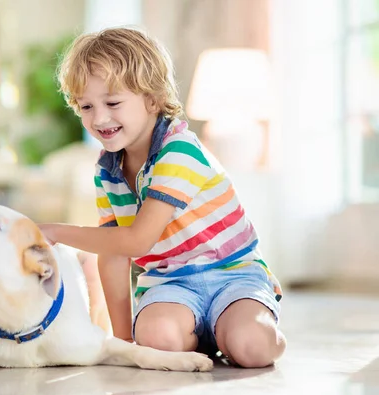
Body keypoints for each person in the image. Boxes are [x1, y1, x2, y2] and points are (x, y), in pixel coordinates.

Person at [38, 27, 286, 368]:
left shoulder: (178, 149)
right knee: (156, 341)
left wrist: (56, 232)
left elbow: (136, 241)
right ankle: (208, 335)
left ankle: (251, 322)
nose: (99, 118)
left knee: (252, 348)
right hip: (170, 283)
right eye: (86, 106)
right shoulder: (106, 169)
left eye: (112, 103)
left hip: (233, 274)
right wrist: (124, 343)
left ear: (152, 99)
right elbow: (112, 255)